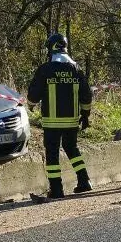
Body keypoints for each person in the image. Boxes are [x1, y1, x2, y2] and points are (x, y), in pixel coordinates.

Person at [27, 33, 93, 200]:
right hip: (72, 120)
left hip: (52, 121)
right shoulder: (76, 69)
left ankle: (57, 189)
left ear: (52, 48)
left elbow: (34, 94)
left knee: (52, 153)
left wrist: (31, 104)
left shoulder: (46, 69)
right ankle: (84, 181)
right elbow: (87, 95)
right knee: (72, 149)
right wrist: (85, 115)